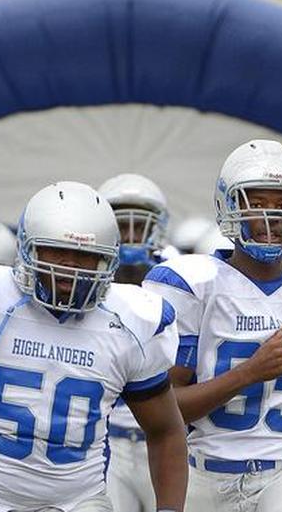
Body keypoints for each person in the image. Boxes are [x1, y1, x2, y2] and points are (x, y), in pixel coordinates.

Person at [0, 181, 188, 512]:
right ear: (27, 248)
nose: (68, 267)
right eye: (55, 250)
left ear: (108, 261)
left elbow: (166, 430)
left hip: (78, 502)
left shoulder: (132, 320)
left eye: (85, 256)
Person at [143, 139, 282, 512]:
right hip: (204, 472)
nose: (271, 217)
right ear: (229, 206)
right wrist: (248, 373)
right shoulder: (194, 284)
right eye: (257, 203)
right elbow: (169, 408)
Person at [97, 173, 171, 512]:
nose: (128, 236)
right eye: (120, 226)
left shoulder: (180, 282)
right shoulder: (84, 284)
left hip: (169, 437)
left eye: (137, 226)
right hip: (106, 442)